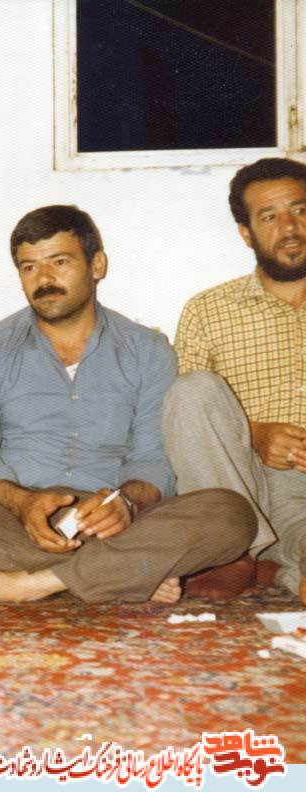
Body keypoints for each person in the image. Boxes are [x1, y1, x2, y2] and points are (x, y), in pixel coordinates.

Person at [0, 205, 255, 604]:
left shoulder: (147, 349)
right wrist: (23, 502)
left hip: (113, 520)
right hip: (16, 517)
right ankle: (123, 575)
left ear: (96, 265)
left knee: (231, 513)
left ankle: (32, 584)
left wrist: (124, 504)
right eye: (29, 267)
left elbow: (153, 458)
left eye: (60, 262)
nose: (44, 279)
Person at [163, 157, 306, 604]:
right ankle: (235, 553)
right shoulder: (208, 309)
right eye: (269, 216)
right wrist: (255, 434)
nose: (290, 228)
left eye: (300, 210)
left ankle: (278, 566)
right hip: (240, 481)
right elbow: (187, 421)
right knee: (190, 390)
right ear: (246, 233)